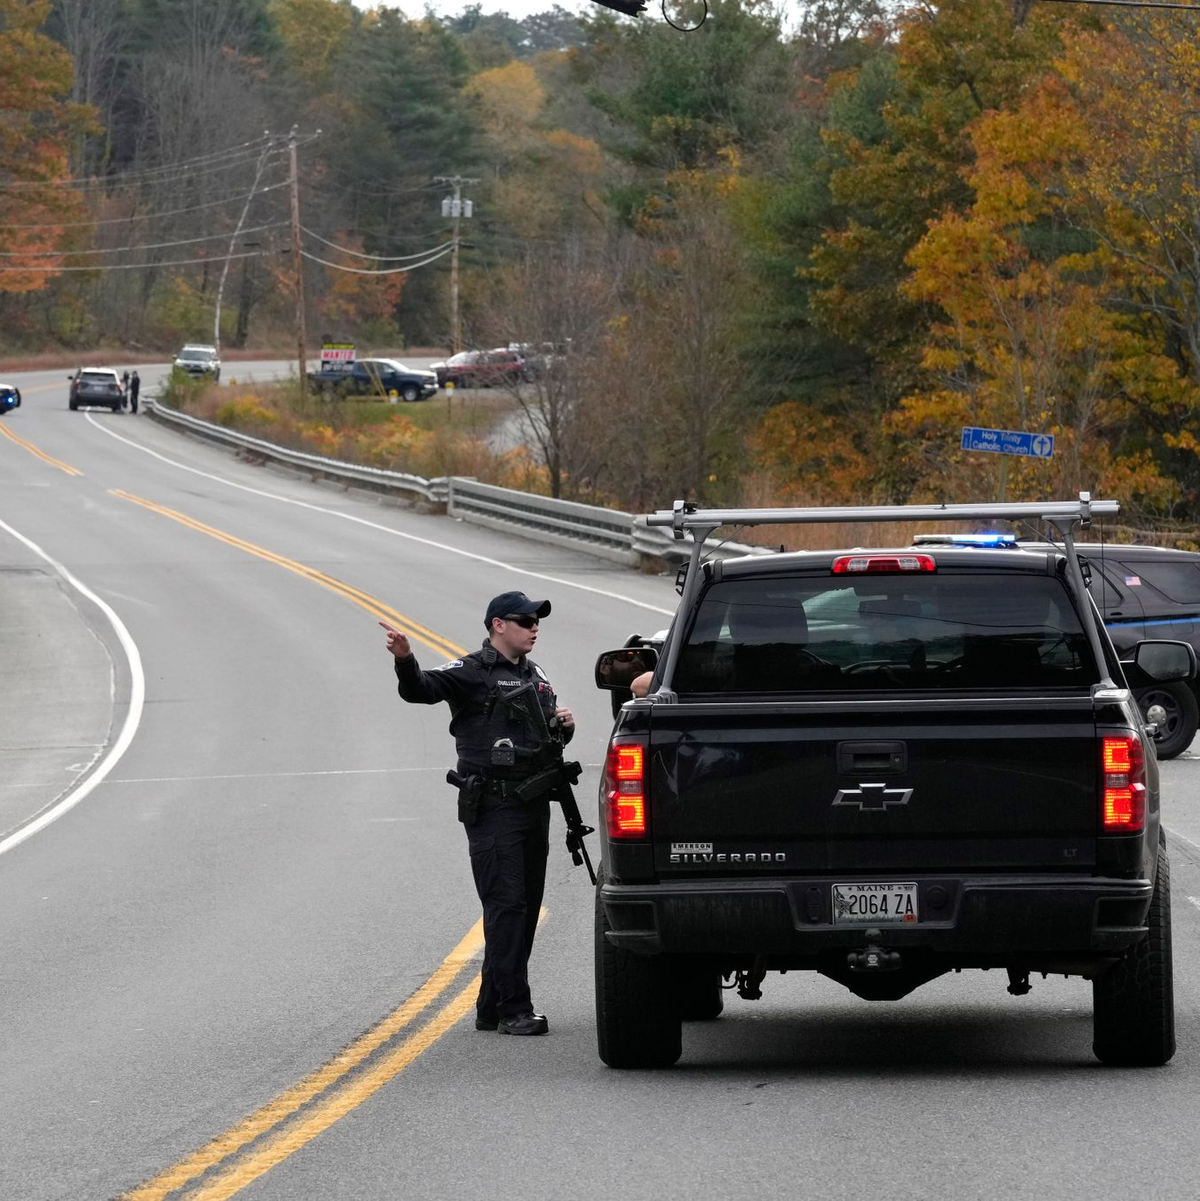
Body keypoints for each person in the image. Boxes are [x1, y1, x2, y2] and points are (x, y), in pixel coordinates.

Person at [381, 590, 574, 1037]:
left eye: (536, 620)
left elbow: (544, 737)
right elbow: (420, 690)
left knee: (523, 910)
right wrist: (405, 659)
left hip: (533, 803)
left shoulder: (536, 674)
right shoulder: (471, 671)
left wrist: (564, 724)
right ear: (497, 625)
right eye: (524, 620)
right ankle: (514, 1009)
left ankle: (490, 1005)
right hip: (493, 806)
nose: (534, 627)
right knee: (506, 906)